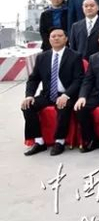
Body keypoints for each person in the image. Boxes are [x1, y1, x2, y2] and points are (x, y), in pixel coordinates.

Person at [21, 28, 84, 156]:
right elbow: (33, 79)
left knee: (63, 107)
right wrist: (29, 95)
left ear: (66, 39)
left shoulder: (74, 56)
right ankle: (39, 141)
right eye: (53, 36)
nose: (56, 38)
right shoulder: (42, 57)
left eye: (59, 36)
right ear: (49, 39)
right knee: (27, 106)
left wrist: (66, 95)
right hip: (48, 94)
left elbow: (79, 79)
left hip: (66, 95)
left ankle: (59, 141)